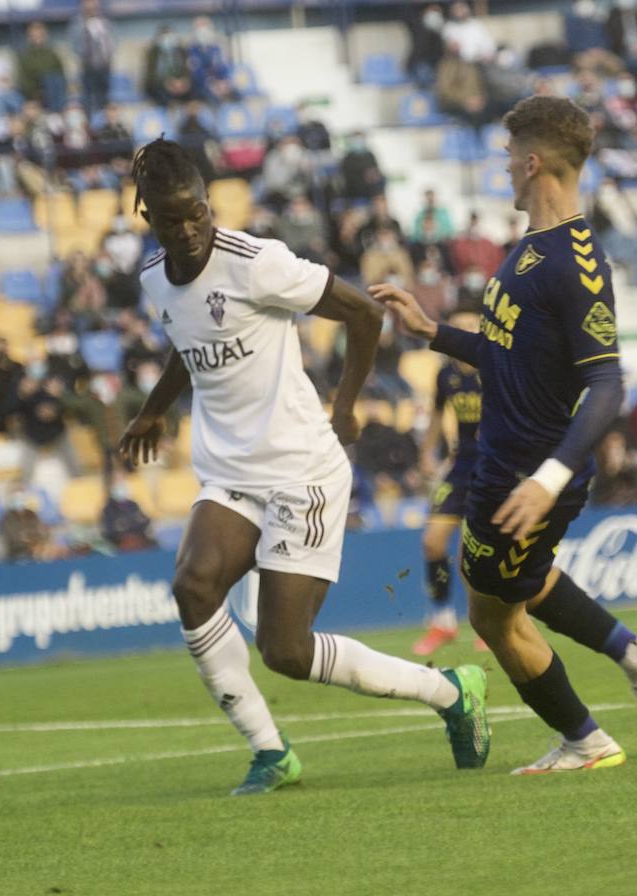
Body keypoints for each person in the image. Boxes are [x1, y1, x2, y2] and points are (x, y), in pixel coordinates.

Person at [118, 139, 489, 795]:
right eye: (173, 220)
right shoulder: (154, 278)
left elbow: (364, 313)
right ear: (148, 215)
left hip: (300, 469)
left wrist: (345, 406)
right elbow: (187, 339)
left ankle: (451, 690)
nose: (190, 229)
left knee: (286, 652)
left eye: (198, 212)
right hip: (231, 473)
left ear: (210, 203)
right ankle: (271, 753)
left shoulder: (257, 263)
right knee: (192, 585)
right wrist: (154, 410)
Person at [373, 96, 637, 774]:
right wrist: (436, 334)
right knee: (526, 585)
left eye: (511, 157)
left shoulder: (576, 263)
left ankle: (585, 740)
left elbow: (608, 385)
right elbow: (507, 353)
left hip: (523, 473)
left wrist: (548, 479)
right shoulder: (532, 251)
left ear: (534, 161)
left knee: (492, 618)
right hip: (506, 464)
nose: (505, 169)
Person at [412, 308, 486, 656]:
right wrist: (428, 452)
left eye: (471, 325)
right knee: (433, 543)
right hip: (460, 465)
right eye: (459, 327)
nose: (465, 331)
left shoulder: (495, 367)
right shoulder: (445, 375)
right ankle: (442, 621)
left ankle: (486, 622)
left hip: (493, 467)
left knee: (469, 554)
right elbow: (438, 415)